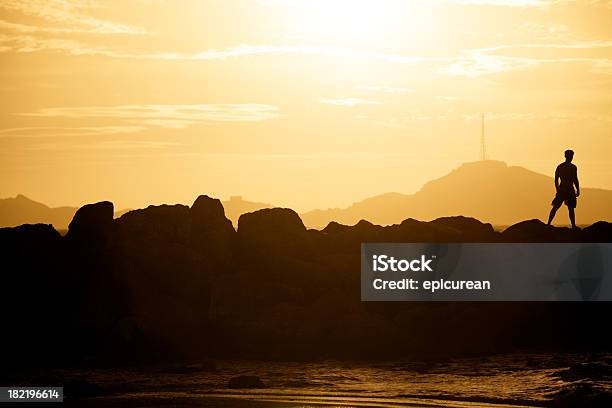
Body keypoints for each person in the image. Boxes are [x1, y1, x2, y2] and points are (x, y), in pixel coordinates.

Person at [547, 149, 580, 228]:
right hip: (566, 189)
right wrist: (577, 189)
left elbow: (556, 179)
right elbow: (575, 179)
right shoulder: (571, 167)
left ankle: (549, 223)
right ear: (567, 156)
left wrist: (557, 189)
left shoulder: (562, 167)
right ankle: (573, 226)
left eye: (571, 156)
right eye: (570, 156)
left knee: (560, 207)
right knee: (566, 208)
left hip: (564, 189)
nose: (571, 157)